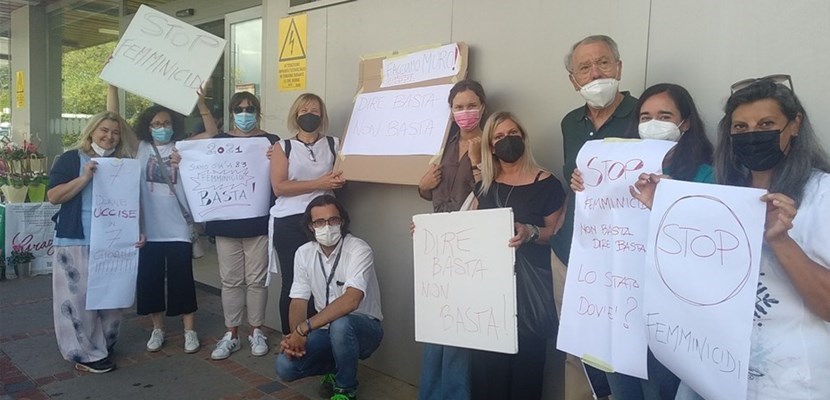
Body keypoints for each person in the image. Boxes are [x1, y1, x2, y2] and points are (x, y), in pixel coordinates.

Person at [640, 76, 830, 399]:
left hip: (791, 383)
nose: (752, 134)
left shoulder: (822, 195)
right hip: (713, 373)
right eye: (740, 127)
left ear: (795, 125)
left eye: (766, 124)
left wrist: (781, 242)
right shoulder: (725, 192)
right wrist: (665, 212)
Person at [571, 83, 715, 400]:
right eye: (646, 117)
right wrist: (586, 184)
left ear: (685, 123)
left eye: (665, 116)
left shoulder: (705, 175)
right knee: (623, 389)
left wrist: (670, 198)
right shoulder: (617, 170)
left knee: (660, 389)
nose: (653, 124)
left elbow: (708, 243)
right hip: (620, 305)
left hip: (671, 316)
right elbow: (601, 223)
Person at [551, 34, 638, 398]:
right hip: (571, 253)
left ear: (619, 67)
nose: (595, 73)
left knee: (622, 350)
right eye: (584, 67)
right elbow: (573, 182)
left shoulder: (644, 115)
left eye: (603, 62)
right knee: (577, 347)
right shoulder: (570, 123)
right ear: (574, 80)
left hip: (622, 259)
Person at [471, 111, 566, 400]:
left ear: (523, 137)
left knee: (527, 371)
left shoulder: (547, 183)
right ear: (490, 146)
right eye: (498, 136)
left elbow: (557, 234)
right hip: (489, 292)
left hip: (530, 291)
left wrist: (530, 232)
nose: (507, 140)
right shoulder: (484, 186)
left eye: (513, 133)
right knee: (488, 372)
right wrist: (429, 233)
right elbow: (468, 229)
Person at [47, 110, 140, 373]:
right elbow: (54, 196)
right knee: (78, 299)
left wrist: (138, 230)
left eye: (115, 132)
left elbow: (133, 202)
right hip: (76, 239)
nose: (109, 136)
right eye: (104, 130)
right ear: (92, 131)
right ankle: (84, 353)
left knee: (112, 296)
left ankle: (104, 343)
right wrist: (85, 178)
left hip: (112, 241)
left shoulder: (123, 163)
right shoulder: (70, 158)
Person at [131, 89, 217, 355]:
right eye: (156, 124)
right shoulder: (140, 148)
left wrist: (201, 103)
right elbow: (113, 119)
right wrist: (112, 86)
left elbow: (212, 133)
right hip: (148, 229)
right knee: (150, 280)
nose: (162, 128)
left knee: (183, 280)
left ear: (174, 125)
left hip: (179, 227)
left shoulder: (183, 146)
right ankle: (158, 329)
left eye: (166, 123)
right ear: (147, 127)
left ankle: (189, 330)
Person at [415, 79, 486, 400]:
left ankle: (456, 394)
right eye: (459, 107)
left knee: (459, 325)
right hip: (437, 242)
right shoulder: (443, 144)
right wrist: (422, 186)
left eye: (471, 105)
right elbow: (433, 189)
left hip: (470, 243)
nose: (465, 112)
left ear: (483, 107)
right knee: (435, 320)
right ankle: (430, 394)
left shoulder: (491, 142)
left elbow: (493, 192)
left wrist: (477, 161)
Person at [275, 195, 383, 400]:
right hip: (325, 331)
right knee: (285, 366)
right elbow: (298, 299)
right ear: (310, 226)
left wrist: (304, 328)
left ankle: (345, 389)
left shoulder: (359, 249)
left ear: (342, 221)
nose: (327, 226)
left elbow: (351, 300)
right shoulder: (303, 253)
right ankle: (336, 369)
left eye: (333, 220)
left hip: (364, 330)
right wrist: (296, 337)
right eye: (319, 222)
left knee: (341, 324)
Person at [204, 92, 280, 360]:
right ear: (231, 112)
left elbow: (282, 174)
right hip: (227, 223)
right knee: (230, 281)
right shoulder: (219, 141)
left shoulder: (272, 141)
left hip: (259, 222)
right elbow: (201, 168)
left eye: (249, 109)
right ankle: (231, 333)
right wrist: (182, 161)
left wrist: (277, 158)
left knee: (257, 281)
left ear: (257, 111)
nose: (244, 113)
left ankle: (256, 330)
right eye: (239, 109)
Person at [270, 93, 343, 335]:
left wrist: (337, 183)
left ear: (322, 116)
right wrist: (319, 183)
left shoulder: (334, 144)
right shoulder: (283, 147)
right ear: (295, 114)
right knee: (294, 282)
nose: (309, 115)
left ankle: (319, 335)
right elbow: (279, 187)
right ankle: (291, 338)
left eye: (314, 111)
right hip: (290, 222)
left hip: (324, 220)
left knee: (324, 279)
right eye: (304, 111)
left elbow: (344, 176)